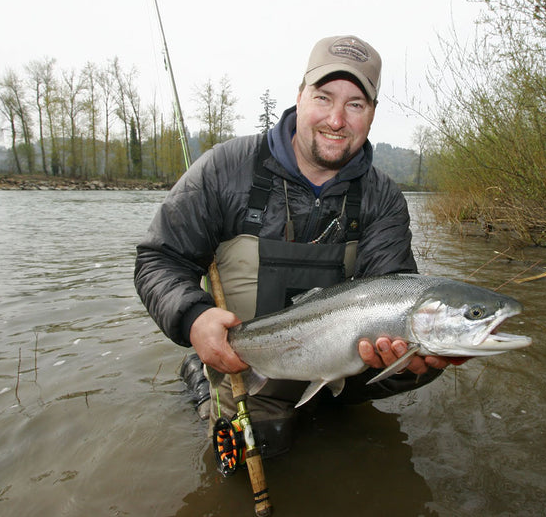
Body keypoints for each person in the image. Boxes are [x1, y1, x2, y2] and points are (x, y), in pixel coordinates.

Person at [134, 35, 448, 458]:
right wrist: (193, 318)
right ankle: (204, 378)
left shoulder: (383, 197)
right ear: (299, 97)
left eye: (355, 104)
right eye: (324, 97)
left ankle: (330, 399)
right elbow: (159, 259)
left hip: (346, 361)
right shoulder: (225, 168)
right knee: (261, 448)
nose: (337, 119)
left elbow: (394, 287)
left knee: (422, 355)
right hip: (246, 360)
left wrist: (422, 345)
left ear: (371, 115)